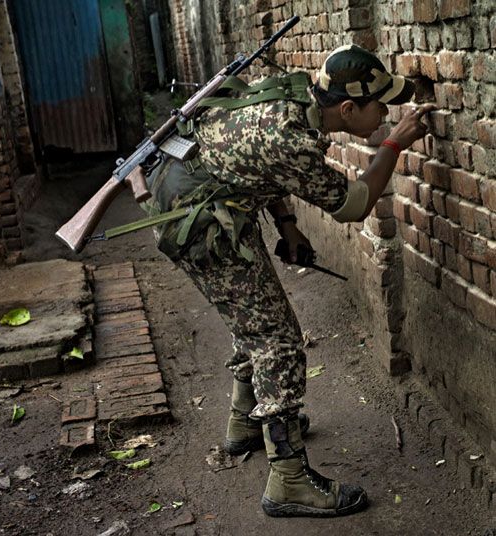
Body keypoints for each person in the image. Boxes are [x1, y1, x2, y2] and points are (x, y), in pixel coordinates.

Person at [144, 44, 434, 517]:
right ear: (347, 109)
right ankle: (289, 481)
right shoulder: (293, 140)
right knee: (277, 341)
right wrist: (395, 143)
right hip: (199, 225)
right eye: (381, 106)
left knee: (253, 318)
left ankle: (243, 424)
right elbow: (356, 203)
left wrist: (287, 225)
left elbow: (256, 163)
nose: (387, 112)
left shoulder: (294, 96)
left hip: (208, 202)